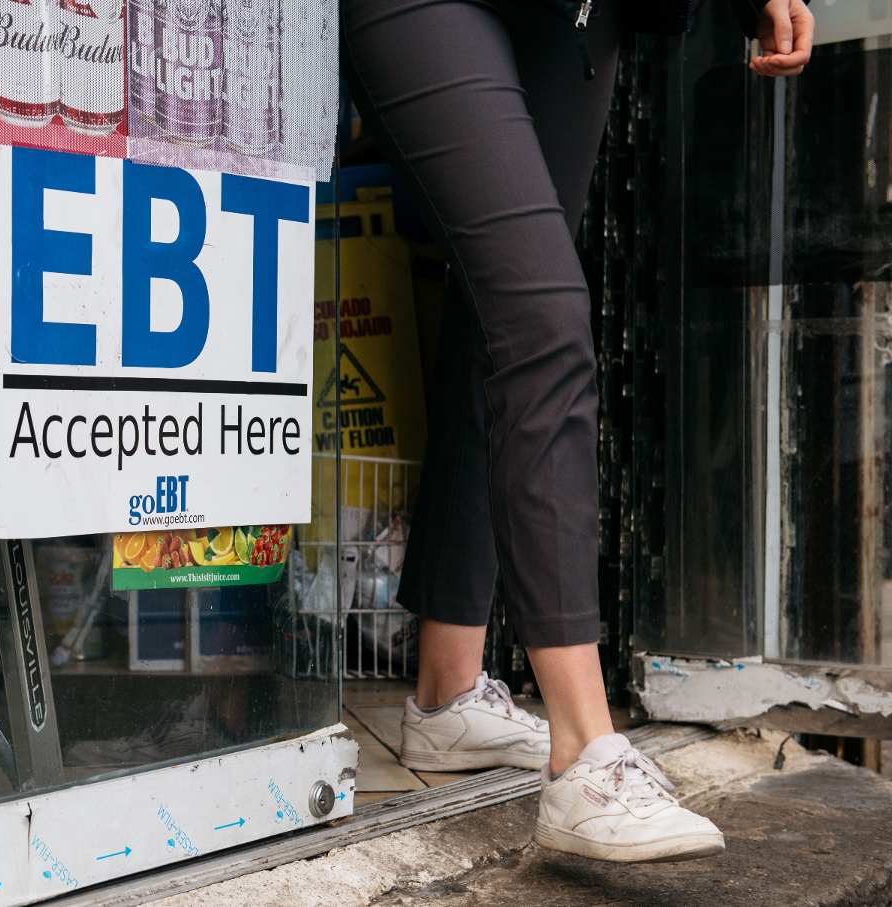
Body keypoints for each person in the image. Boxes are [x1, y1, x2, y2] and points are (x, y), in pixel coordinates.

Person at [341, 0, 813, 863]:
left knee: (501, 312)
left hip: (575, 11)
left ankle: (447, 694)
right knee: (543, 318)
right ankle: (585, 754)